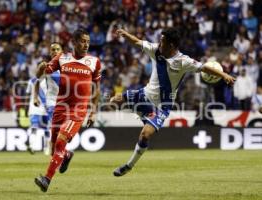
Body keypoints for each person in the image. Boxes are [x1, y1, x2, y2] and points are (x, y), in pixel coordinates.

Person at [110, 28, 236, 177]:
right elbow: (137, 42)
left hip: (161, 106)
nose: (159, 43)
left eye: (162, 41)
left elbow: (204, 67)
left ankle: (128, 166)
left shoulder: (183, 61)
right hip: (144, 94)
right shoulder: (155, 50)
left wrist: (223, 75)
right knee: (113, 99)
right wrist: (126, 35)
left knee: (145, 134)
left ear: (171, 45)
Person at [34, 29, 101, 192]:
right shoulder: (62, 58)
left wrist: (93, 111)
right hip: (60, 108)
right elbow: (39, 76)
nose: (86, 44)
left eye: (88, 41)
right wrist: (42, 67)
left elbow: (96, 88)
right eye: (83, 41)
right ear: (74, 42)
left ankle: (46, 179)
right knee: (53, 148)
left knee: (62, 140)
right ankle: (67, 155)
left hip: (78, 111)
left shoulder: (94, 61)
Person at [34, 42, 63, 155]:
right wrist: (35, 98)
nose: (55, 51)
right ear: (50, 52)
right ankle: (54, 150)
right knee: (55, 127)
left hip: (66, 102)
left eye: (57, 49)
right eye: (53, 49)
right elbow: (37, 80)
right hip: (51, 102)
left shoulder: (68, 66)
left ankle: (57, 149)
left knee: (64, 129)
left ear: (61, 51)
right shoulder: (47, 66)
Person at [25, 76, 49, 154]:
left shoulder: (32, 81)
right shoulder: (49, 80)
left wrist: (25, 107)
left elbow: (27, 95)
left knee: (34, 128)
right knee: (47, 129)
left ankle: (31, 145)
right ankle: (46, 149)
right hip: (45, 108)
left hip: (34, 108)